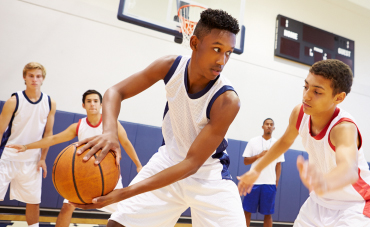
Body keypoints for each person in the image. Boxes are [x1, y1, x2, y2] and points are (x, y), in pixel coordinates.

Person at [71, 9, 246, 227]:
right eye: (217, 49)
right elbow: (115, 92)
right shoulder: (170, 66)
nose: (222, 60)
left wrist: (124, 193)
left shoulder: (227, 100)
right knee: (117, 224)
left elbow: (191, 164)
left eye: (228, 53)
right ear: (194, 43)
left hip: (208, 176)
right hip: (168, 162)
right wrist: (109, 132)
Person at [238, 59, 370, 226]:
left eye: (317, 92)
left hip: (354, 205)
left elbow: (349, 170)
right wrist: (256, 169)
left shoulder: (343, 127)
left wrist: (324, 181)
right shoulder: (300, 113)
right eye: (306, 86)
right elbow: (284, 141)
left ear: (339, 97)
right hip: (318, 202)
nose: (306, 95)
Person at [7, 89, 142, 227]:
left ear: (101, 104)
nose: (92, 104)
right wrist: (26, 147)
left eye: (95, 101)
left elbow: (125, 142)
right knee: (67, 207)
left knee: (122, 213)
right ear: (83, 105)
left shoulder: (112, 124)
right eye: (89, 101)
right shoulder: (78, 126)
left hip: (108, 177)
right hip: (83, 176)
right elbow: (53, 139)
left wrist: (138, 164)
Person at [0, 62, 57, 227]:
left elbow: (48, 134)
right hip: (7, 157)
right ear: (24, 77)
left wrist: (43, 158)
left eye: (38, 76)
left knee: (33, 202)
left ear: (43, 79)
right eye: (31, 75)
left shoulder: (50, 102)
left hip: (32, 159)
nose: (34, 79)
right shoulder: (14, 100)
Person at [242, 118, 284, 227]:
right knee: (247, 211)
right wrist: (258, 156)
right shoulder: (253, 141)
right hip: (253, 183)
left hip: (269, 184)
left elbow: (279, 165)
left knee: (268, 214)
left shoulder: (278, 144)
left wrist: (276, 182)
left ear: (273, 128)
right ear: (262, 126)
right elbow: (245, 161)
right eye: (267, 124)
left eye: (271, 124)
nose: (269, 126)